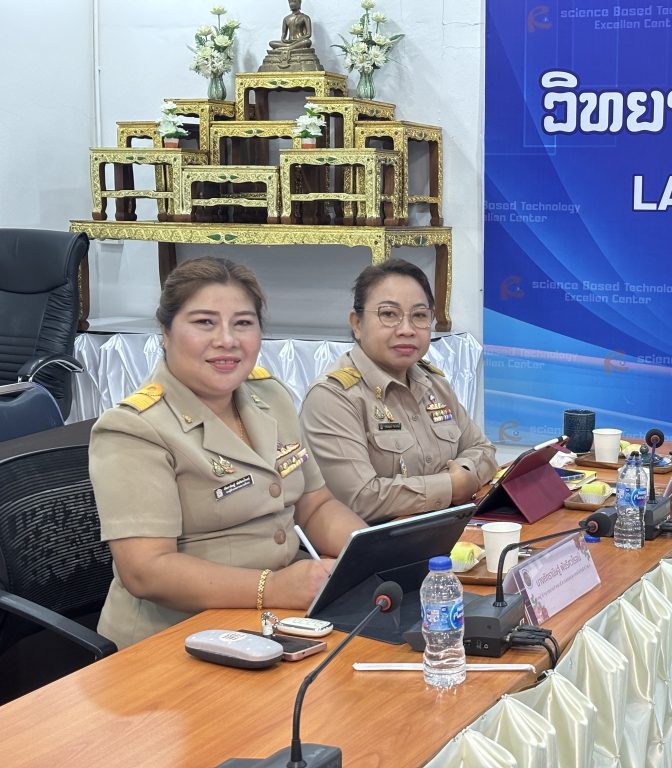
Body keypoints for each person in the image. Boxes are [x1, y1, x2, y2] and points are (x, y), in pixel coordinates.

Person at [90, 257, 365, 649]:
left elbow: (315, 505)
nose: (227, 340)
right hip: (173, 639)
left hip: (275, 618)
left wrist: (373, 554)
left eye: (243, 323)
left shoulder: (271, 396)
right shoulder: (134, 428)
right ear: (165, 331)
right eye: (205, 322)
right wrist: (273, 587)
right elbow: (146, 571)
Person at [300, 260, 498, 523]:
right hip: (378, 543)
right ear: (357, 323)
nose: (407, 330)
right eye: (389, 314)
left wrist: (464, 471)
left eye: (419, 316)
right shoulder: (332, 397)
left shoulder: (433, 384)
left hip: (448, 532)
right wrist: (451, 486)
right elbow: (361, 499)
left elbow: (482, 449)